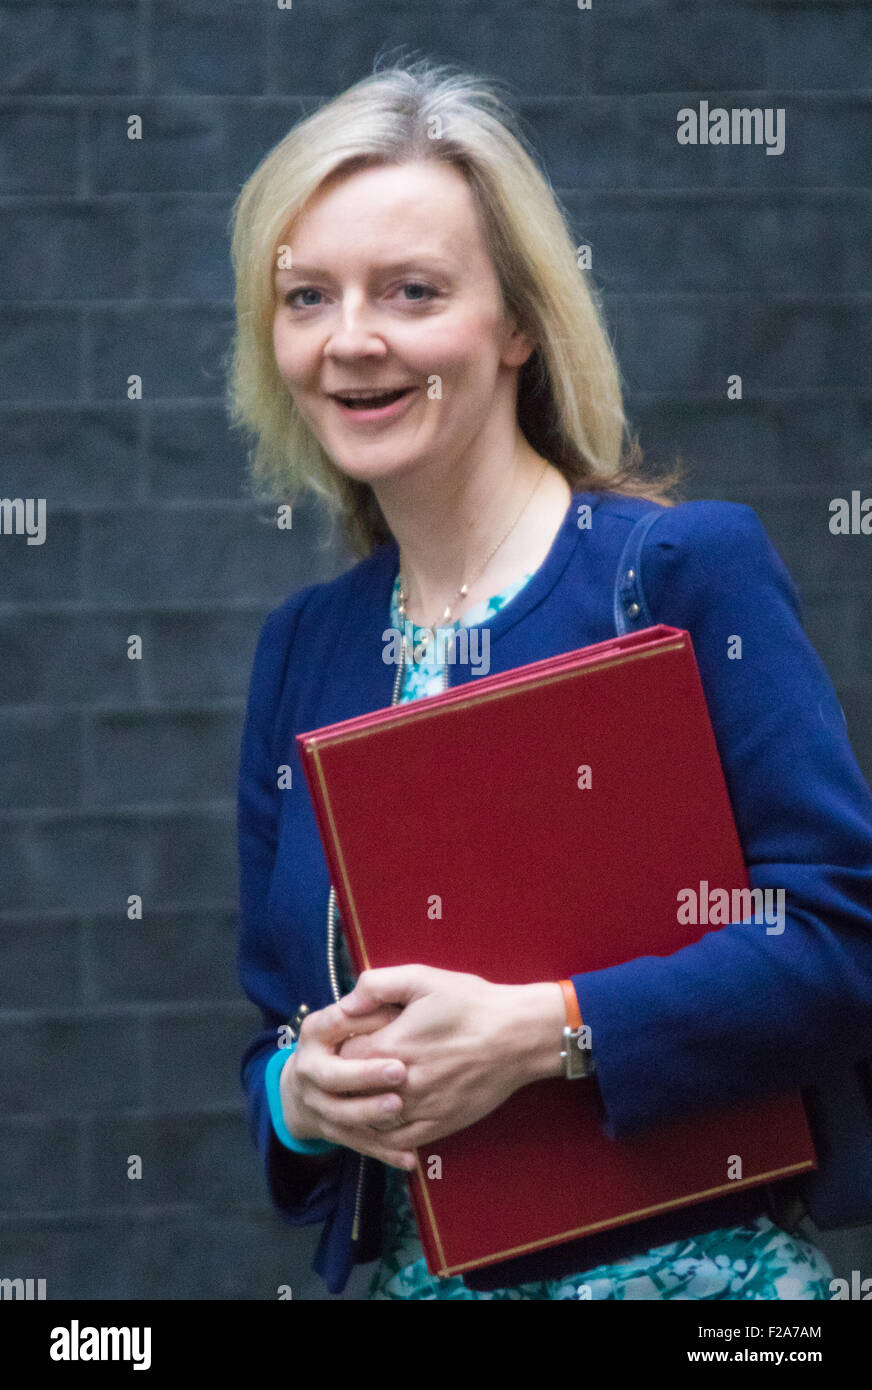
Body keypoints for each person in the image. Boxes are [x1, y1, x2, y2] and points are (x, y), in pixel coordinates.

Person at [228, 59, 872, 1300]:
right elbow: (270, 1030)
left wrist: (546, 1032)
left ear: (518, 322)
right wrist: (301, 1097)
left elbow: (842, 938)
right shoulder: (303, 648)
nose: (350, 338)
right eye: (306, 295)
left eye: (410, 291)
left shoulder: (677, 571)